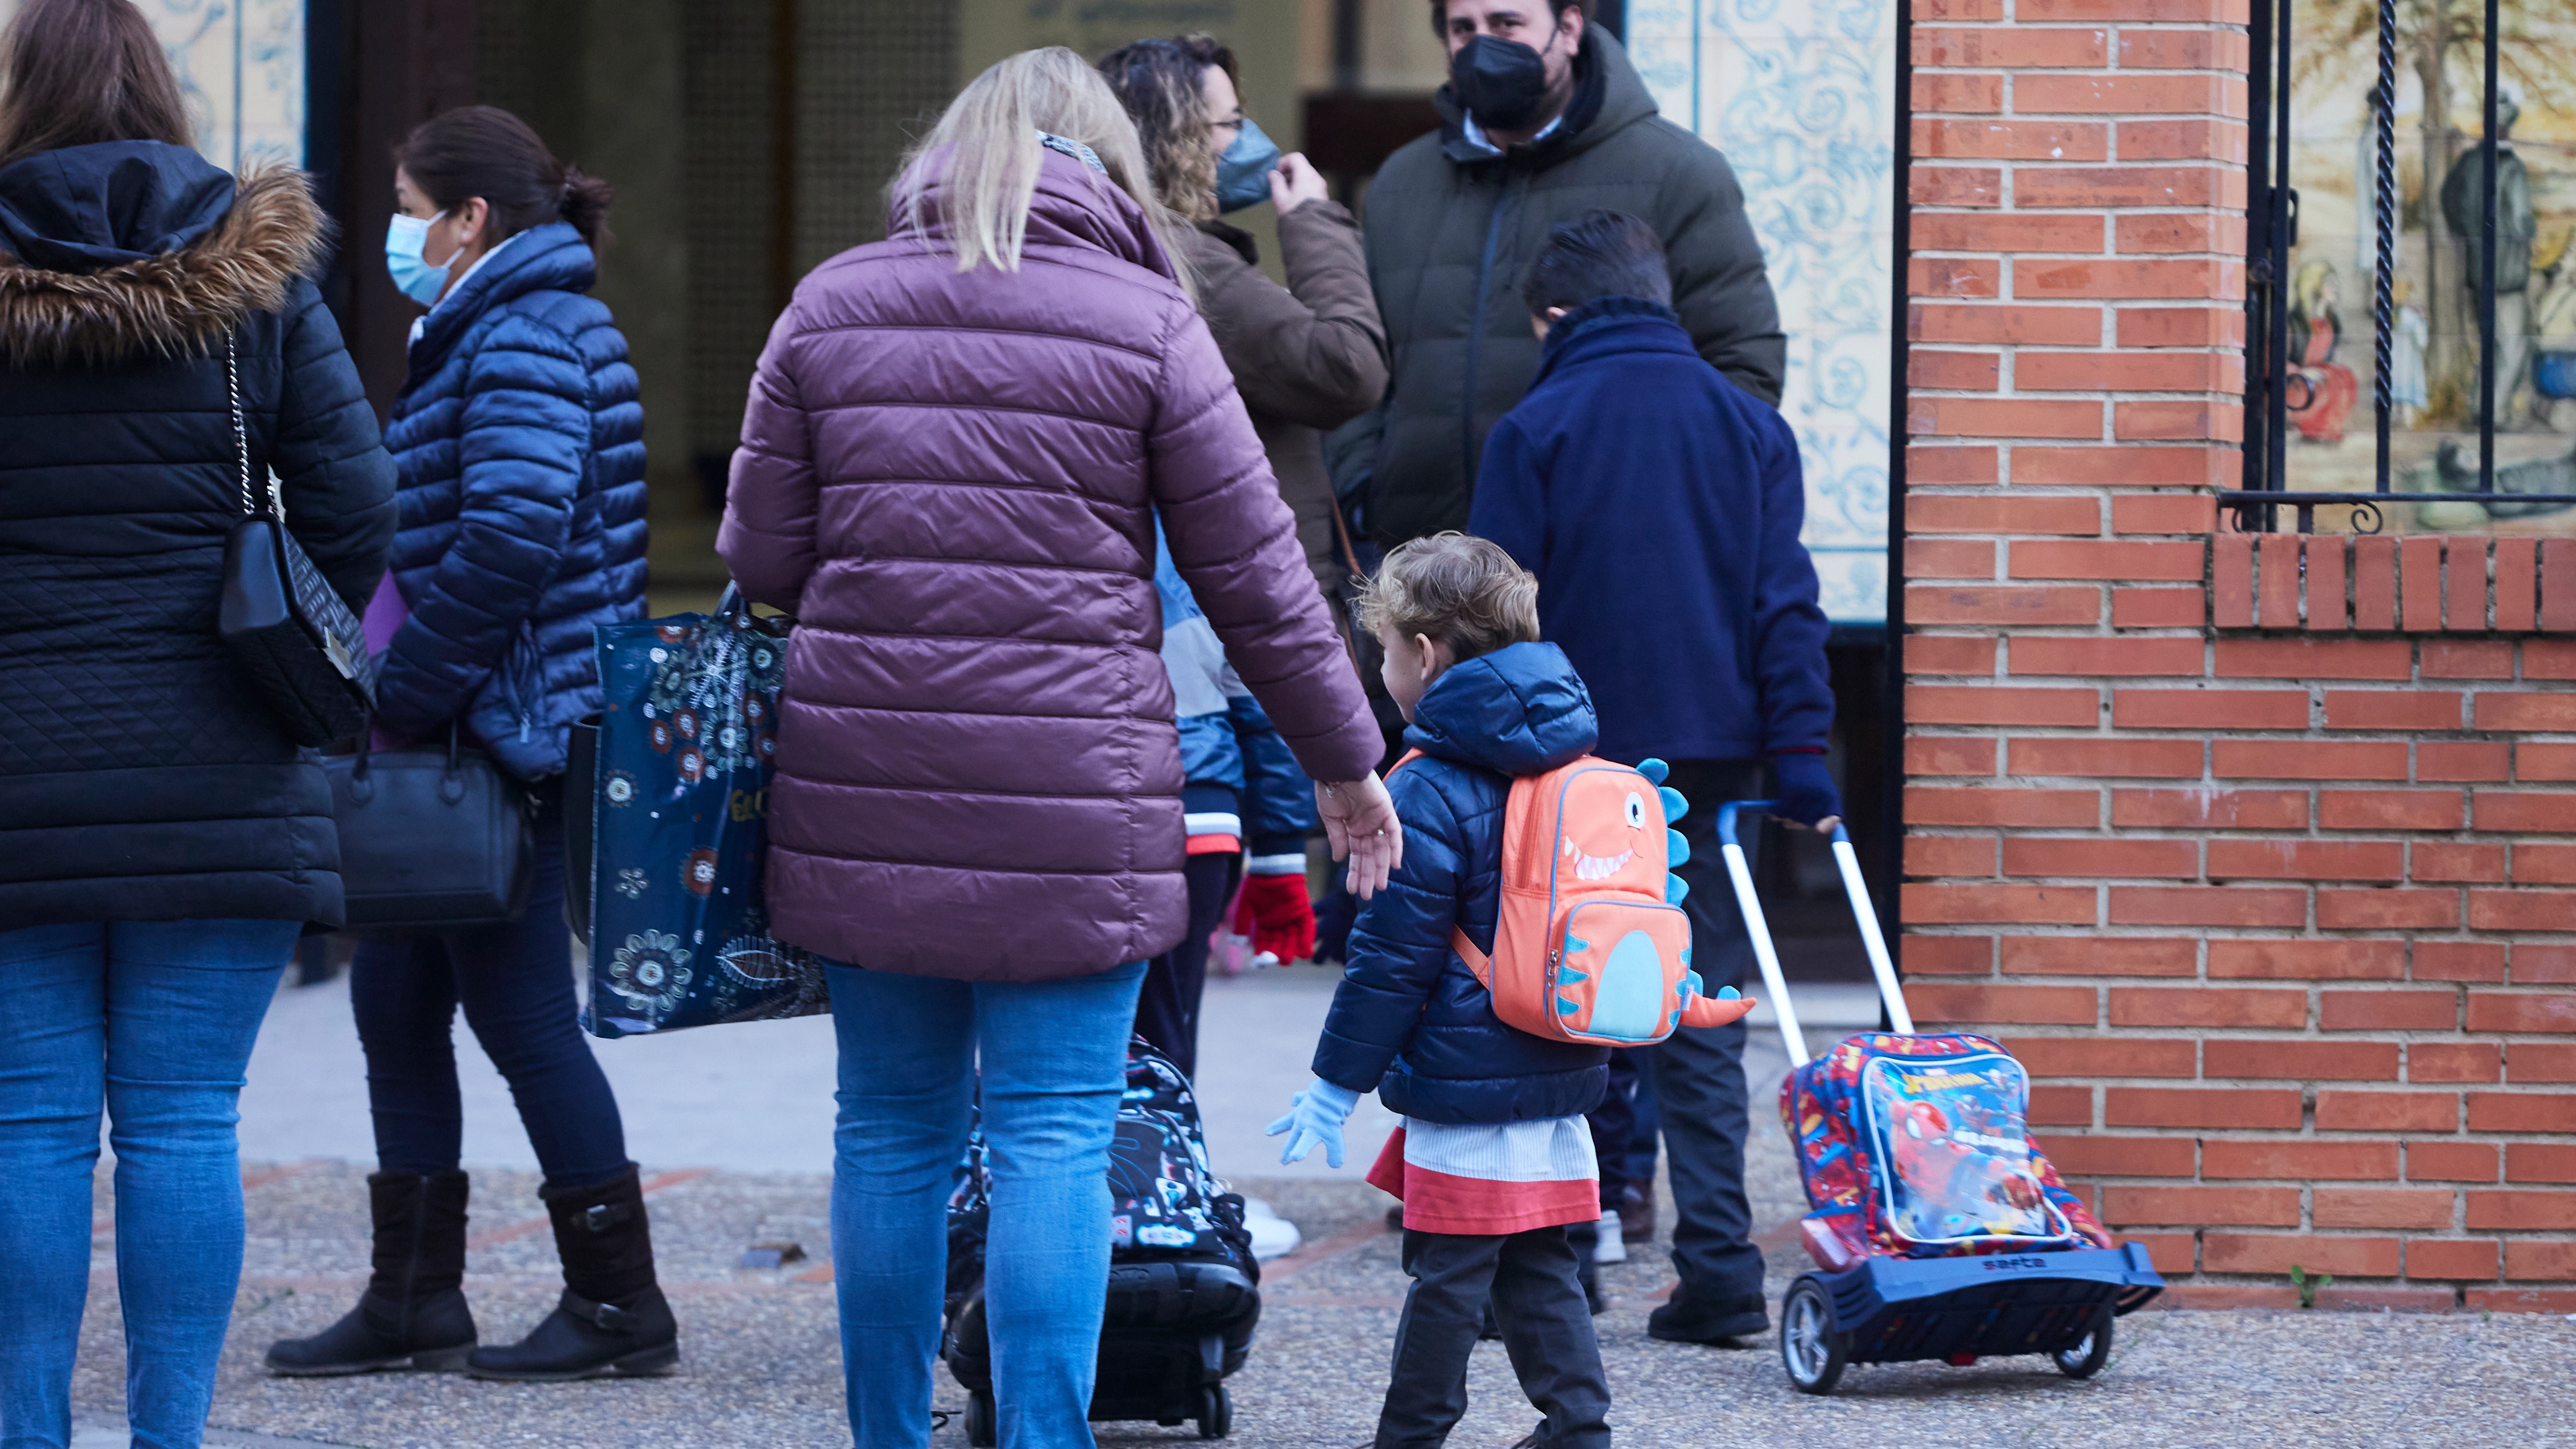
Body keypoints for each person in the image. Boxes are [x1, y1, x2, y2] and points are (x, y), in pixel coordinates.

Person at [715, 48, 1396, 1447]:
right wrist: (1344, 761)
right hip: (1078, 795)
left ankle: (889, 1434)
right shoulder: (1147, 320)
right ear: (1110, 169)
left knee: (891, 1132)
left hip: (866, 788)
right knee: (1053, 1137)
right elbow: (1257, 575)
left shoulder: (830, 305)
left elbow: (761, 555)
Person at [0, 0, 396, 1441]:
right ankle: (169, 1430)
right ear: (161, 90)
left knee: (27, 1129)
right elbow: (361, 508)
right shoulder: (257, 274)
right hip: (223, 754)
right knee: (179, 1125)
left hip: (14, 770)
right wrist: (263, 604)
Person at [262, 105, 658, 1383]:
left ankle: (619, 1301)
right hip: (471, 721)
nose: (395, 232)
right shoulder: (491, 318)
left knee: (524, 1010)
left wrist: (412, 692)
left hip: (502, 728)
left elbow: (512, 532)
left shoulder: (531, 326)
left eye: (405, 202)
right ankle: (413, 1296)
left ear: (469, 216)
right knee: (395, 994)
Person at [1469, 210, 1837, 1345]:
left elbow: (1494, 627)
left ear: (1558, 315)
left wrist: (1477, 760)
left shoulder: (1535, 428)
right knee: (1702, 1014)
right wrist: (1807, 758)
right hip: (1714, 776)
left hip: (1567, 774)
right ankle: (1720, 1272)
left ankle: (1560, 1267)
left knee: (1558, 1011)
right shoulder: (1749, 430)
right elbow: (1785, 607)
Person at [1271, 533, 1613, 1449]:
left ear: (1424, 654)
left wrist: (1334, 1082)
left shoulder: (1421, 786)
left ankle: (1410, 1436)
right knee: (1541, 1260)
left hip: (1466, 1083)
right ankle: (1579, 1427)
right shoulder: (1577, 758)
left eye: (1382, 649)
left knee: (1447, 1275)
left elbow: (1392, 958)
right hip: (1562, 1058)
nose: (1382, 667)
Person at [1099, 33, 1394, 1064]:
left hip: (1176, 643)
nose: (1250, 141)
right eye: (1228, 123)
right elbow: (1345, 367)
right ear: (1176, 140)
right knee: (1164, 971)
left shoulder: (1139, 254)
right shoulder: (1190, 268)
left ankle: (1142, 1179)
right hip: (1212, 642)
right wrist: (1312, 217)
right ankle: (1157, 1187)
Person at [1336, 0, 1783, 549]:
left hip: (1599, 565)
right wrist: (1362, 489)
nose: (1481, 46)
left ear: (1570, 29)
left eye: (1505, 24)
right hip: (1422, 571)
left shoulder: (1679, 175)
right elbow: (1361, 362)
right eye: (1462, 29)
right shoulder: (1401, 184)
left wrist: (1645, 509)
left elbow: (1743, 373)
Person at [2441, 97, 2537, 426]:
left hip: (2477, 272)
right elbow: (2523, 221)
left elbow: (2447, 199)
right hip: (2508, 274)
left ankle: (2478, 407)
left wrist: (2464, 234)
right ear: (2507, 128)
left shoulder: (2467, 163)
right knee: (2512, 347)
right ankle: (2493, 413)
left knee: (2489, 345)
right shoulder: (2513, 168)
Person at [2287, 259, 2360, 445]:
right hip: (2295, 381)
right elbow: (2275, 362)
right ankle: (2311, 430)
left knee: (2344, 376)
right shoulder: (2293, 323)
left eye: (2336, 283)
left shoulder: (2332, 322)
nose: (2336, 288)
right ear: (2314, 286)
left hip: (2318, 375)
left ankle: (2329, 430)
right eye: (2330, 284)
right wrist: (2301, 372)